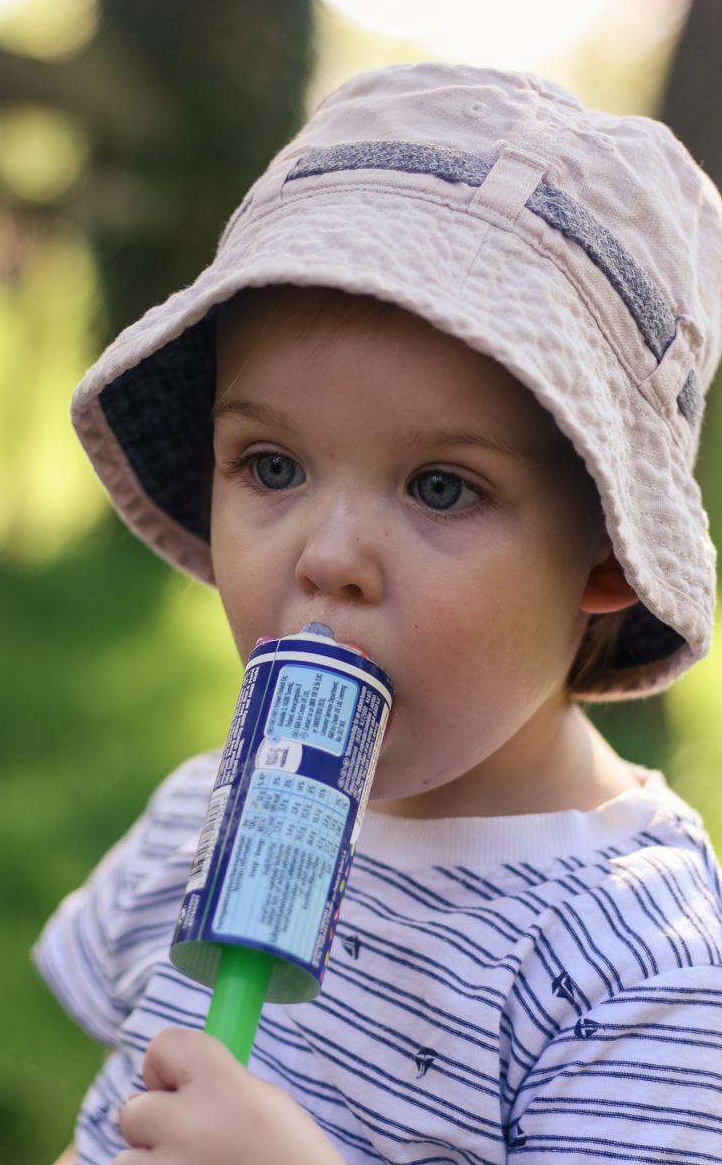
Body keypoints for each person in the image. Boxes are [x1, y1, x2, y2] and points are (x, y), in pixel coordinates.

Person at [36, 63, 722, 1165]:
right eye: (270, 464)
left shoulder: (634, 967)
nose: (329, 557)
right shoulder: (200, 824)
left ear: (608, 557)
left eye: (440, 486)